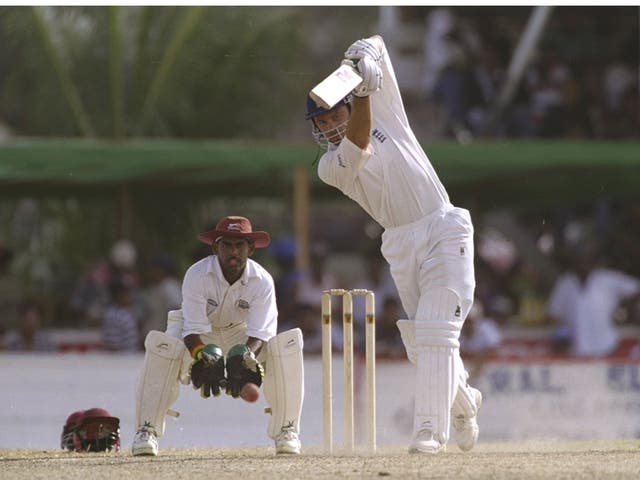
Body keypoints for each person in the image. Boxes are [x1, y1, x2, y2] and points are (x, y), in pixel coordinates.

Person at [305, 35, 481, 454]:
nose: (330, 126)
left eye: (334, 115)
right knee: (424, 344)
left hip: (443, 225)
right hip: (401, 243)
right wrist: (363, 91)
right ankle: (465, 403)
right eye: (321, 123)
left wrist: (359, 57)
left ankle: (429, 432)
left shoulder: (386, 111)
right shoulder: (331, 167)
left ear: (346, 104)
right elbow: (359, 143)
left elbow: (378, 43)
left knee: (438, 328)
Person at [131, 216, 304, 456]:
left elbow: (261, 333)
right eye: (227, 245)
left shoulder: (262, 280)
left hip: (240, 332)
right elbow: (192, 329)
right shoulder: (197, 274)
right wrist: (202, 355)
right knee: (163, 346)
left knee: (286, 345)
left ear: (250, 248)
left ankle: (287, 429)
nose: (233, 251)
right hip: (201, 333)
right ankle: (146, 429)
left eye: (240, 245)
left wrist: (244, 356)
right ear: (215, 247)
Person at [547, 241, 640, 357]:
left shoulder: (607, 279)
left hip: (607, 347)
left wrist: (629, 310)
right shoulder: (565, 283)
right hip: (576, 351)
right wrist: (562, 334)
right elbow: (554, 314)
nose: (583, 262)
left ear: (593, 260)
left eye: (587, 258)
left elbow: (636, 290)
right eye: (579, 259)